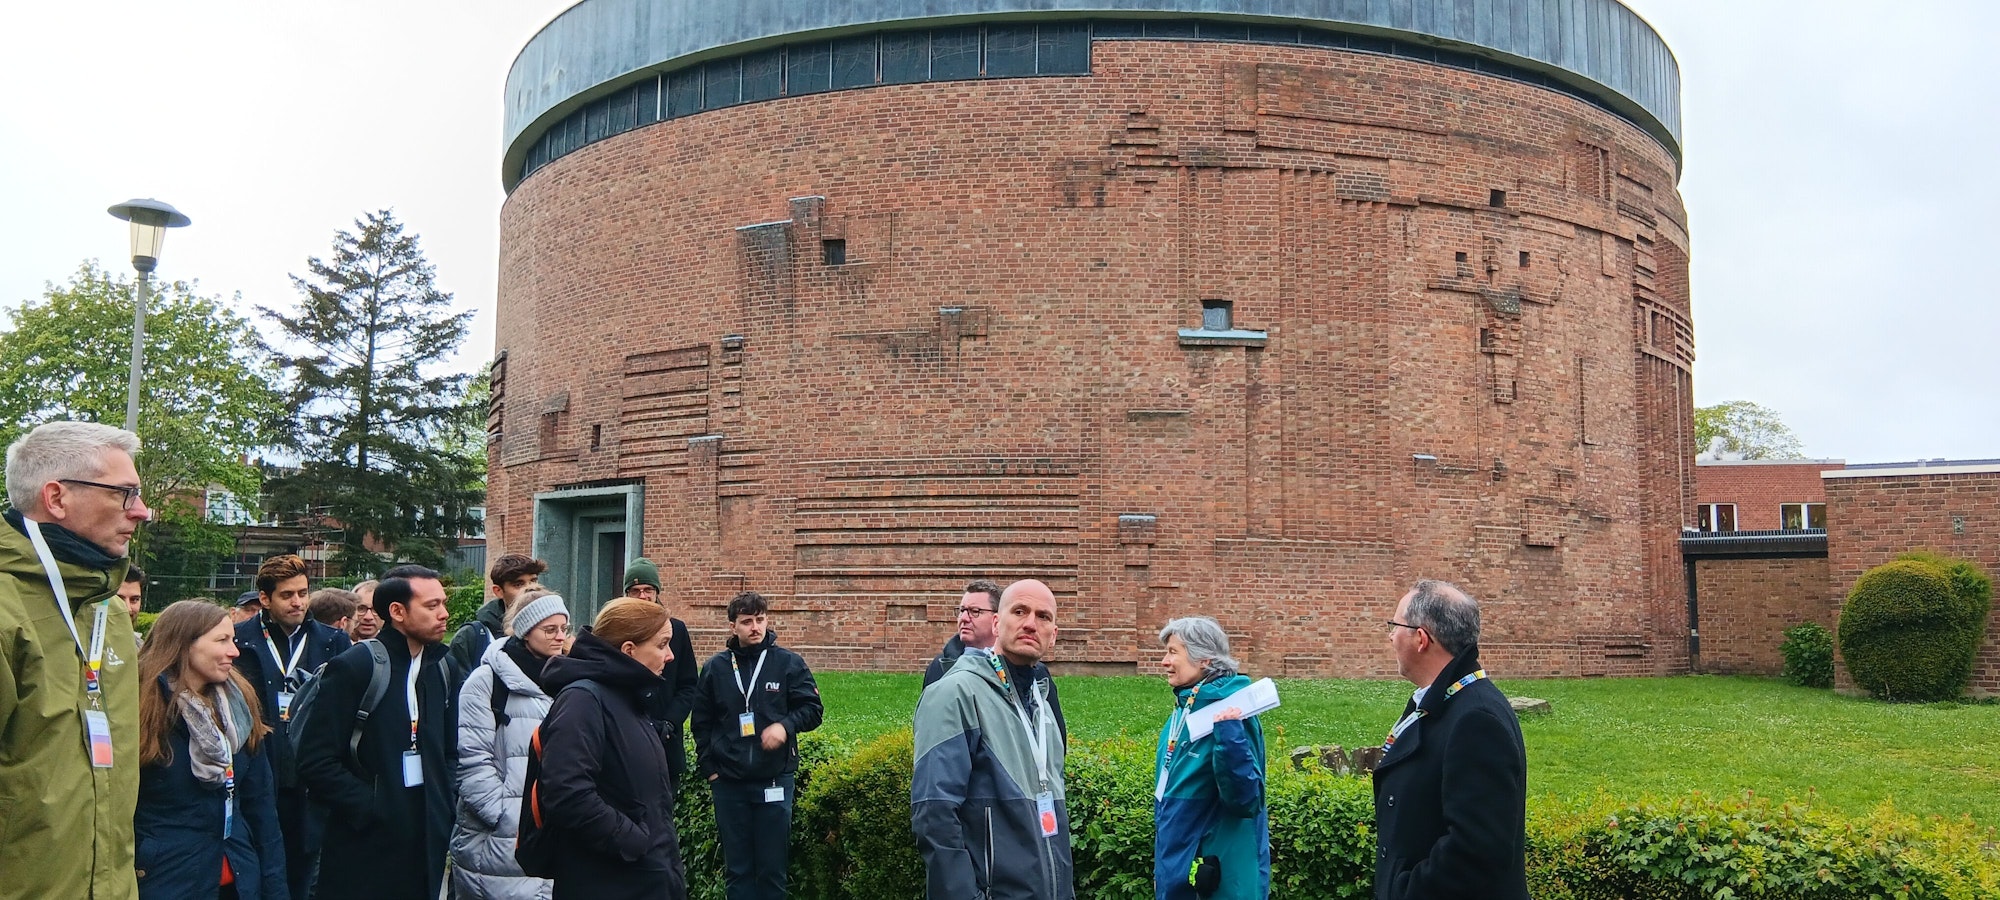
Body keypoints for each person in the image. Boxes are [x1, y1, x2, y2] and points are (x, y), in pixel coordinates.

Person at [0, 421, 150, 900]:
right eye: (125, 494)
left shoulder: (108, 612)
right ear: (57, 498)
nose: (142, 512)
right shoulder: (6, 607)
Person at [295, 565, 459, 900]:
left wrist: (444, 803)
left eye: (443, 603)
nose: (444, 614)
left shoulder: (442, 666)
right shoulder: (357, 666)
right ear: (397, 612)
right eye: (431, 606)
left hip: (425, 839)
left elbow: (450, 749)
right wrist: (373, 807)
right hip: (364, 848)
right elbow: (315, 760)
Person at [912, 579, 1074, 900]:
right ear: (998, 623)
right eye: (1019, 611)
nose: (1030, 623)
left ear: (1053, 635)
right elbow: (934, 814)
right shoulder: (954, 692)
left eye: (1043, 616)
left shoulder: (1041, 701)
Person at [1373, 580, 1528, 900]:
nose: (1390, 636)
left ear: (1421, 638)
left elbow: (1476, 852)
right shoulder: (1447, 702)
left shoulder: (1476, 718)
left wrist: (1405, 890)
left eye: (1395, 625)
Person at [134, 600, 288, 899]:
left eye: (233, 639)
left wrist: (275, 888)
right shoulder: (144, 710)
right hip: (166, 879)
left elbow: (262, 811)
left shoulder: (239, 708)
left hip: (238, 879)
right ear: (183, 644)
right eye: (222, 641)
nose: (235, 651)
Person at [535, 597, 688, 899]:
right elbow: (567, 793)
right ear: (629, 650)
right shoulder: (584, 700)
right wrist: (633, 842)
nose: (670, 656)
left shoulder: (627, 698)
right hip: (610, 880)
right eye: (662, 645)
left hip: (643, 878)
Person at [691, 591, 824, 900]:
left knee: (772, 871)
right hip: (729, 783)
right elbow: (701, 722)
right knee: (738, 871)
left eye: (760, 620)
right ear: (732, 627)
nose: (755, 627)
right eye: (747, 621)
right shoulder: (716, 668)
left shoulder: (788, 664)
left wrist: (785, 726)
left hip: (774, 780)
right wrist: (710, 770)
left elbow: (813, 710)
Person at [234, 552, 351, 900]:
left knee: (305, 873)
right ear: (265, 599)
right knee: (261, 868)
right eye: (287, 595)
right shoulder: (240, 642)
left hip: (310, 781)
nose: (298, 602)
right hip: (259, 772)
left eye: (303, 592)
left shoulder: (332, 641)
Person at [451, 589, 570, 899]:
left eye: (564, 628)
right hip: (499, 838)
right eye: (550, 629)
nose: (560, 637)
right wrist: (506, 816)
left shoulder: (568, 679)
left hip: (554, 831)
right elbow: (472, 758)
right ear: (526, 630)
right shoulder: (487, 682)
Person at [1152, 617, 1268, 900]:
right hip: (1178, 868)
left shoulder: (1233, 710)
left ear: (1204, 659)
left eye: (1173, 652)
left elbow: (1245, 800)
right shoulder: (1183, 709)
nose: (1165, 661)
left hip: (1218, 878)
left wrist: (1229, 734)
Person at [923, 579, 1067, 741]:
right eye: (962, 610)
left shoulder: (1035, 673)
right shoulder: (941, 669)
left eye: (975, 611)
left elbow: (1055, 741)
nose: (964, 618)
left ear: (996, 619)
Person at [625, 556, 699, 782]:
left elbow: (688, 685)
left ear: (657, 591)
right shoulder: (616, 631)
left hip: (666, 744)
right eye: (635, 590)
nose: (642, 595)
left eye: (648, 589)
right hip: (626, 740)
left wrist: (670, 722)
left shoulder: (676, 630)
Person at [451, 553, 548, 676]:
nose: (530, 590)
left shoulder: (555, 630)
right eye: (518, 584)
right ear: (498, 591)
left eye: (533, 581)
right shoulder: (472, 637)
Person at [120, 563, 146, 650]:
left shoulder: (142, 649)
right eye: (119, 600)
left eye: (134, 600)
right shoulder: (85, 644)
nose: (128, 608)